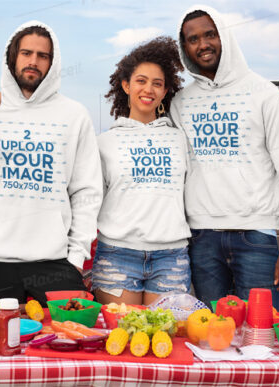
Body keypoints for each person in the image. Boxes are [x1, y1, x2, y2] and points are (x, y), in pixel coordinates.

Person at [169, 5, 279, 311]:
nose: (203, 44)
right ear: (185, 47)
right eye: (193, 39)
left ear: (224, 37)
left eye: (210, 34)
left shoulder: (264, 94)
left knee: (260, 331)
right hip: (202, 238)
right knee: (207, 334)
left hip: (255, 236)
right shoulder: (181, 101)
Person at [0, 21, 103, 307]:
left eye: (43, 56)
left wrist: (77, 258)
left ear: (53, 63)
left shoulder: (74, 115)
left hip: (56, 263)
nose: (33, 61)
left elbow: (87, 192)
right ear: (11, 57)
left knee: (69, 344)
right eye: (26, 53)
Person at [89, 37, 191, 306]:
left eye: (157, 83)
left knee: (163, 340)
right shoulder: (103, 143)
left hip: (171, 257)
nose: (149, 89)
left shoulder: (180, 140)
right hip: (117, 255)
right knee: (121, 340)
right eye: (141, 81)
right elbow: (88, 201)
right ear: (126, 85)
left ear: (166, 90)